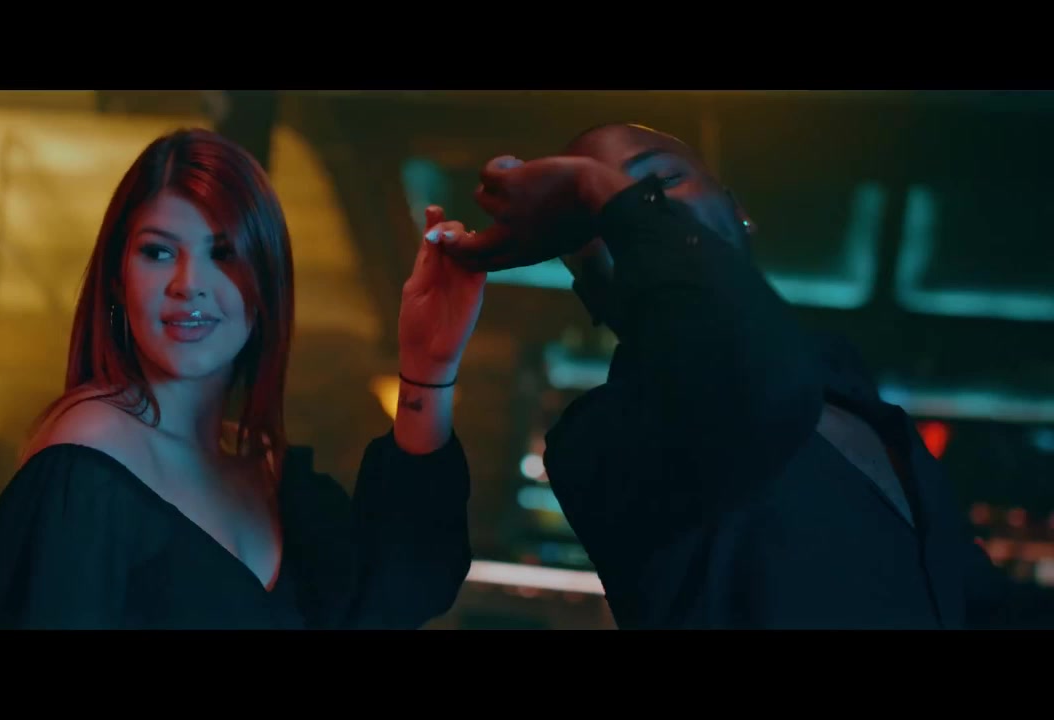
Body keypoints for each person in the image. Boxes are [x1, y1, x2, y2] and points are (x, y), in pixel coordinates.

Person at [441, 122, 1051, 629]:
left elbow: (974, 600)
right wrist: (602, 194)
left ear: (739, 212)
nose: (636, 208)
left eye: (659, 183)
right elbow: (756, 389)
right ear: (588, 290)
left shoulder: (858, 400)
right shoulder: (603, 437)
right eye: (595, 214)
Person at [0, 128, 486, 629]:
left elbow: (399, 593)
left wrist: (427, 366)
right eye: (158, 252)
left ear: (267, 279)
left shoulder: (267, 471)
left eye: (223, 253)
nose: (189, 285)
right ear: (117, 278)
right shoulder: (87, 461)